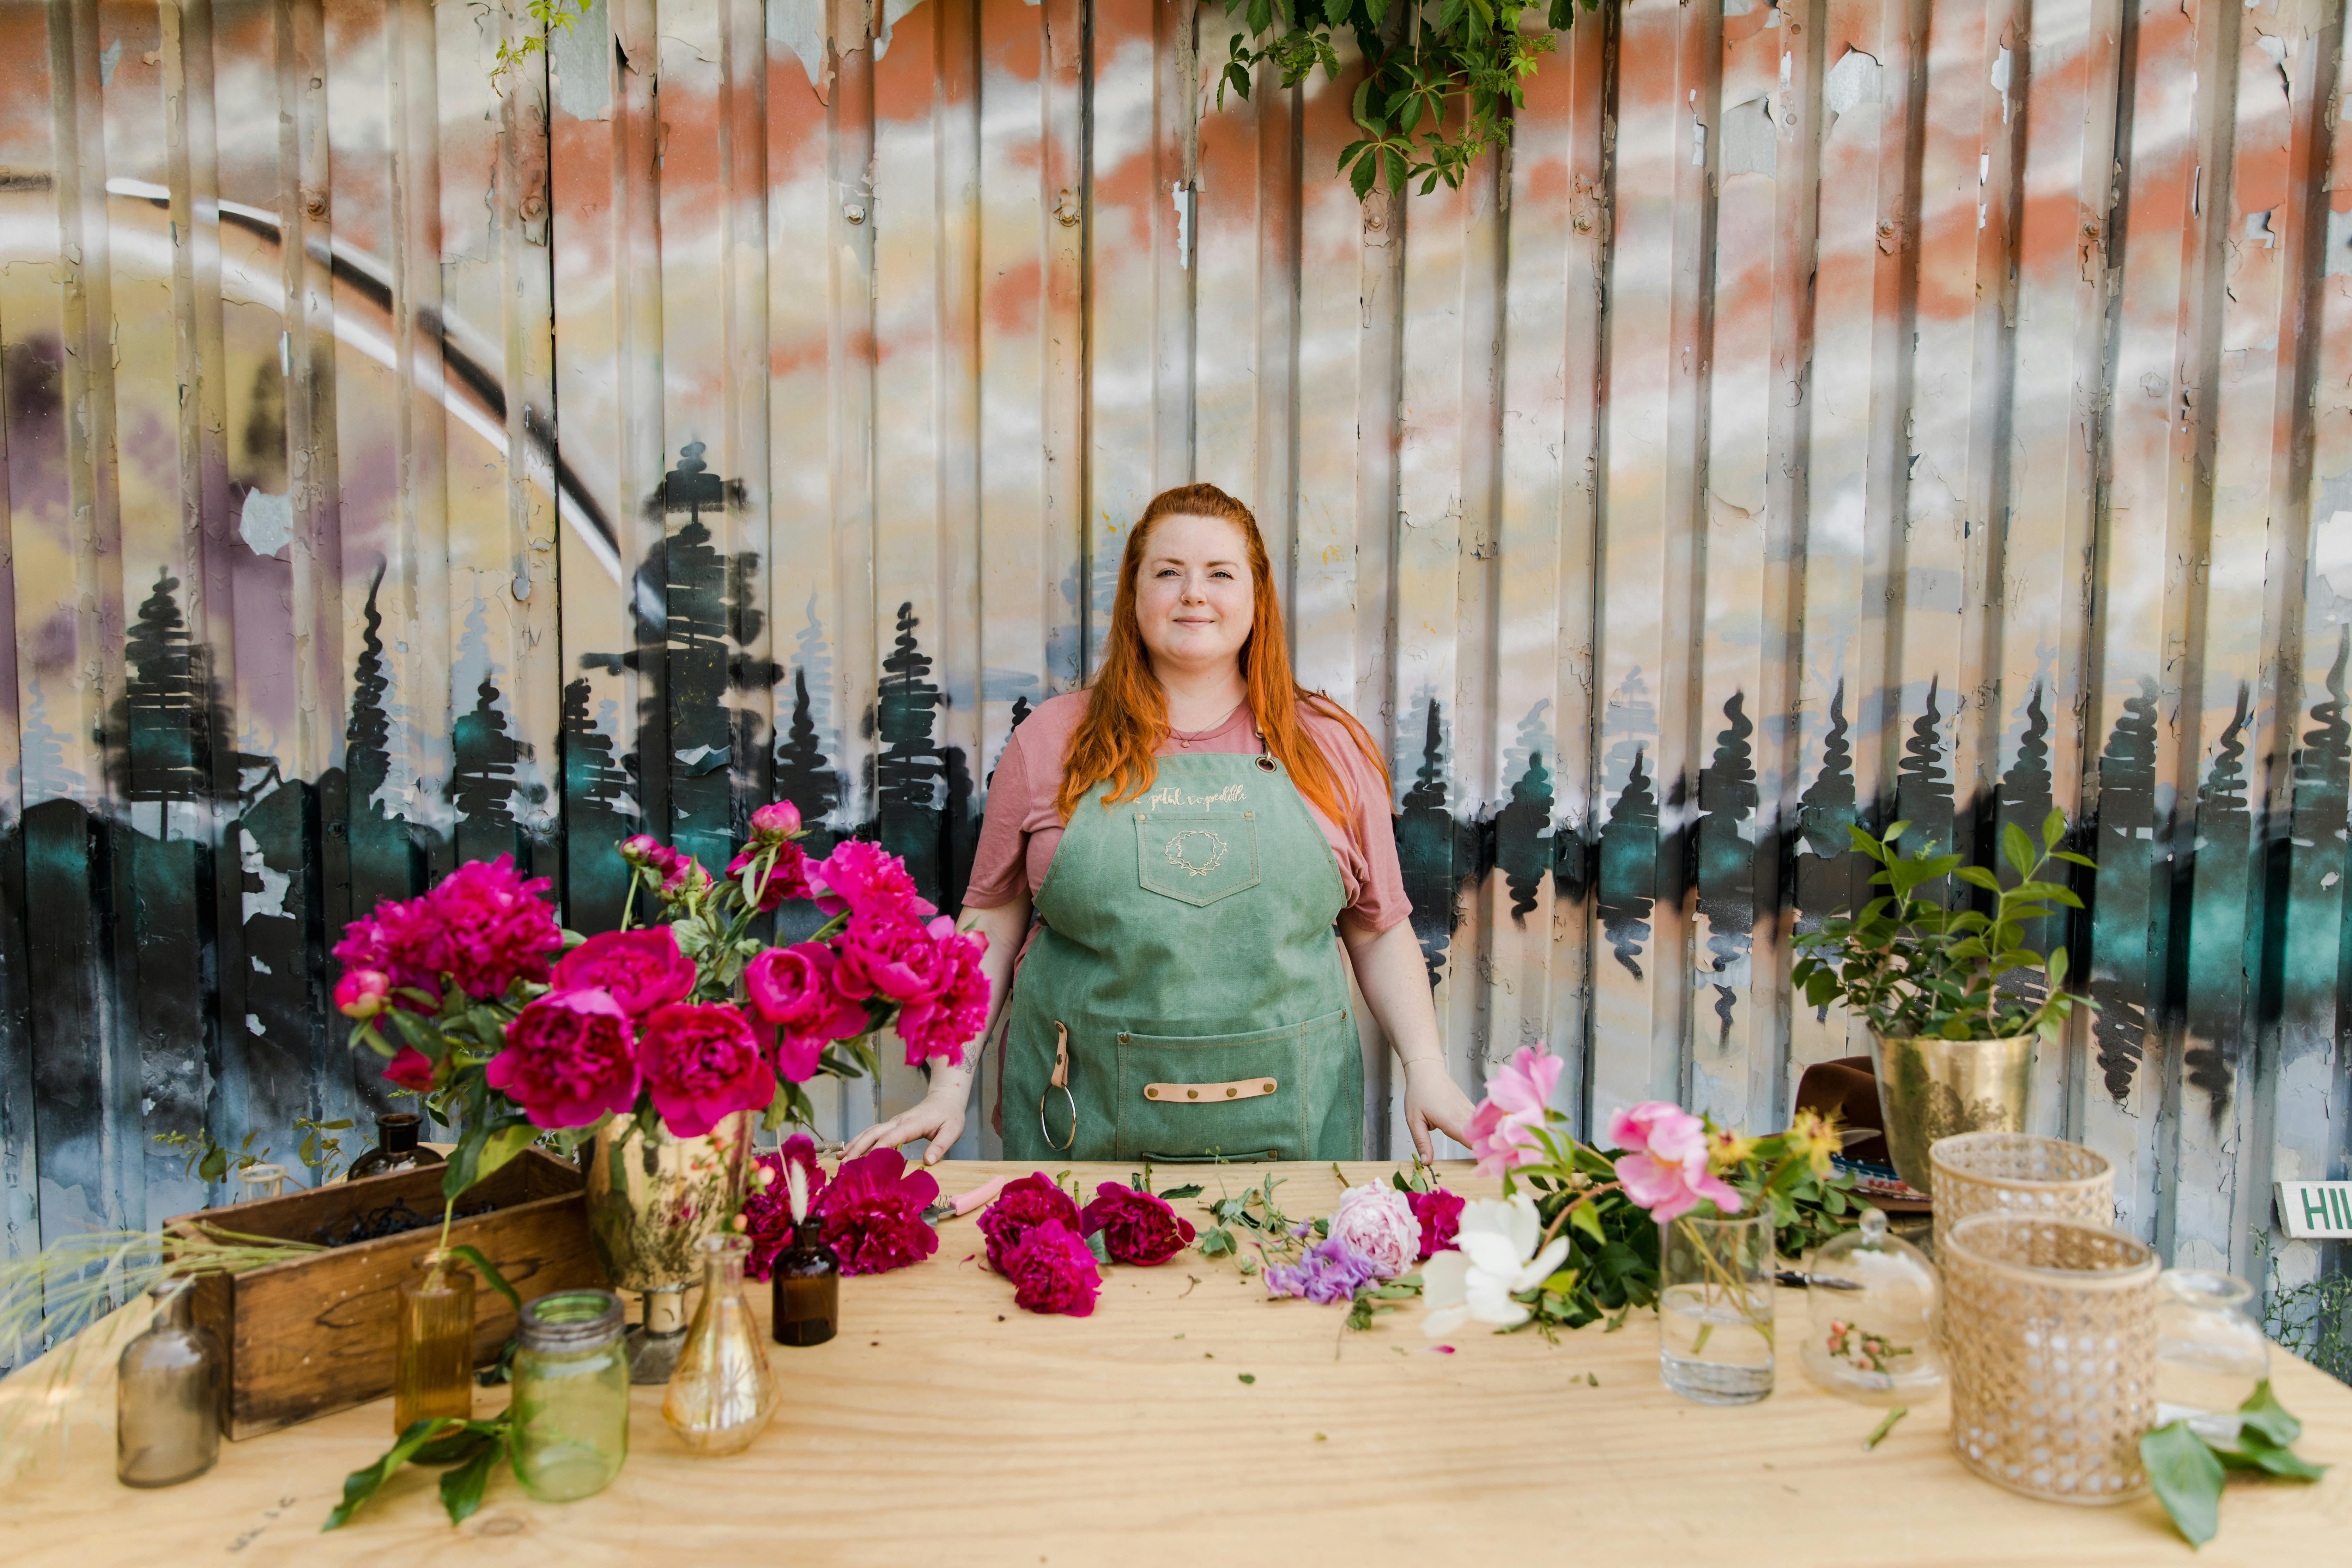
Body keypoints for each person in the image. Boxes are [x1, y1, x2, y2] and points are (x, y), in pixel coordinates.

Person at [844, 483, 1478, 1167]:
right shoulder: (1051, 740)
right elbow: (991, 924)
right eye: (1168, 572)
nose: (1193, 594)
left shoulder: (1326, 746)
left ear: (1257, 596)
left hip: (1290, 1130)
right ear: (1133, 594)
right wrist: (949, 1087)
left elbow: (1378, 929)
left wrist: (1427, 1069)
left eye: (1219, 574)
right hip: (1079, 1123)